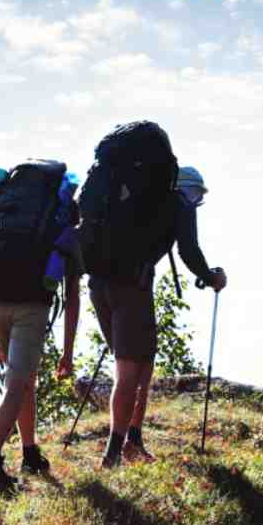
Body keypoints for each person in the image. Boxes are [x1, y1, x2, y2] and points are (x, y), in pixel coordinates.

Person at [92, 164, 225, 469]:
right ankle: (114, 454)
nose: (195, 201)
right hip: (132, 288)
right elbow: (189, 250)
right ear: (185, 189)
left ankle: (133, 440)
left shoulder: (130, 198)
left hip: (99, 285)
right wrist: (210, 276)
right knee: (129, 372)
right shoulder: (179, 202)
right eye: (196, 195)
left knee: (143, 363)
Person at [0, 162, 82, 492]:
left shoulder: (6, 204)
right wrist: (68, 352)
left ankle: (30, 451)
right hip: (30, 308)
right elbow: (71, 296)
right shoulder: (60, 219)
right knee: (17, 385)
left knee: (23, 381)